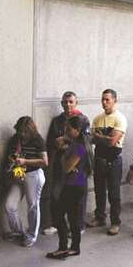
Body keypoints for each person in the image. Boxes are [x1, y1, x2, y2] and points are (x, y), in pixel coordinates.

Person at [42, 91, 90, 236]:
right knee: (56, 193)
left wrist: (67, 143)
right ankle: (56, 223)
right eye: (65, 102)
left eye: (71, 102)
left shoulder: (83, 119)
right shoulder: (57, 120)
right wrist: (57, 145)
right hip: (60, 161)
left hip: (77, 163)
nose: (68, 105)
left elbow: (86, 141)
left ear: (76, 103)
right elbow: (50, 141)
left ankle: (79, 225)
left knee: (78, 197)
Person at [46, 117, 92, 259]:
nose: (66, 131)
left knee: (59, 214)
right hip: (74, 184)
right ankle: (74, 248)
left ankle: (63, 247)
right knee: (72, 217)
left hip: (74, 186)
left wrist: (64, 158)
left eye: (69, 129)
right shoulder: (75, 143)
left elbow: (66, 168)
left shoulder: (79, 147)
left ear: (77, 130)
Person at [4, 116, 48, 247]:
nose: (22, 134)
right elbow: (11, 156)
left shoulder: (37, 139)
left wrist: (25, 161)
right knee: (9, 206)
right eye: (20, 131)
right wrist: (13, 160)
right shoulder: (15, 139)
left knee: (33, 206)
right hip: (19, 173)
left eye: (25, 132)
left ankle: (32, 235)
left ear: (31, 130)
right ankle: (19, 231)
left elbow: (45, 162)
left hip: (34, 174)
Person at [90, 89, 127, 235]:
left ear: (114, 100)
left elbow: (113, 141)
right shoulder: (97, 118)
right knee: (99, 191)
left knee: (114, 193)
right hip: (99, 159)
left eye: (107, 100)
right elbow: (91, 139)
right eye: (103, 99)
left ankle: (115, 222)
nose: (104, 102)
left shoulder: (120, 118)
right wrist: (103, 137)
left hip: (114, 160)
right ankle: (100, 217)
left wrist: (101, 137)